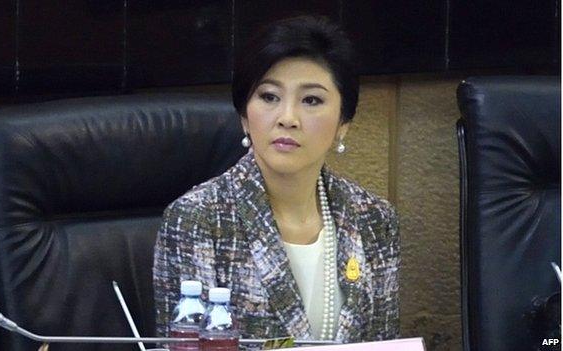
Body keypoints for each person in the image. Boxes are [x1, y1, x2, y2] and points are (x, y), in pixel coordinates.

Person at [153, 15, 399, 343]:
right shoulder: (197, 220)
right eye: (269, 97)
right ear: (244, 115)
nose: (287, 118)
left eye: (311, 100)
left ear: (343, 123)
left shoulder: (374, 220)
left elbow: (384, 345)